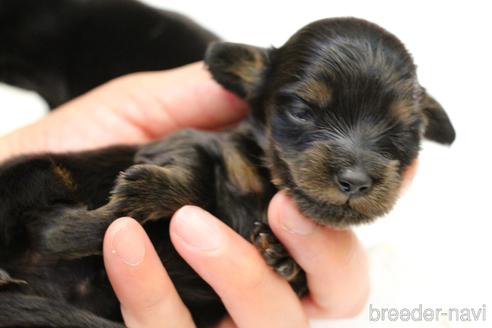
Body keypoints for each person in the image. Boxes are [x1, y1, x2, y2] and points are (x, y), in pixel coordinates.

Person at [0, 62, 416, 327]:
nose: (355, 171)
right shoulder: (216, 145)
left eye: (395, 134)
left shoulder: (297, 238)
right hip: (38, 214)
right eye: (305, 111)